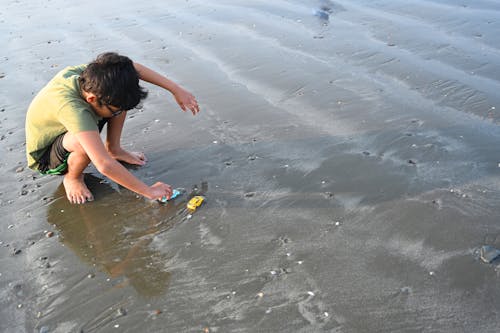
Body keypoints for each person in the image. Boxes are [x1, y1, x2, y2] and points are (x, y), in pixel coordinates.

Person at [25, 52, 200, 204]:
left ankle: (114, 149)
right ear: (92, 99)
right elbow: (103, 165)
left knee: (121, 100)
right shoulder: (72, 109)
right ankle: (73, 177)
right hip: (46, 156)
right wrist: (149, 191)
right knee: (85, 142)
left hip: (71, 127)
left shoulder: (93, 77)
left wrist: (175, 89)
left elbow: (134, 68)